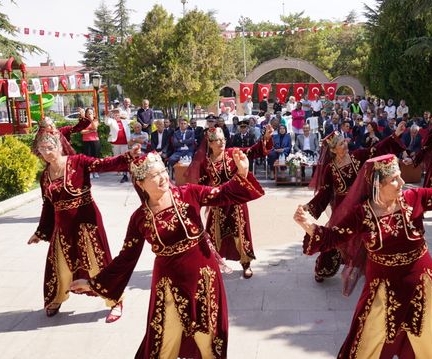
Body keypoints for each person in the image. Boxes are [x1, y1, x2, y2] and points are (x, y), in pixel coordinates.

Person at [70, 150, 264, 358]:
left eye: (163, 171)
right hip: (167, 285)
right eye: (154, 175)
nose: (163, 177)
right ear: (141, 182)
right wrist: (93, 283)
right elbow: (125, 259)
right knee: (163, 338)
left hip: (204, 278)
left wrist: (242, 173)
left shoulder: (189, 193)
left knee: (209, 337)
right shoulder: (140, 218)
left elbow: (223, 194)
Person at [294, 151, 432, 358]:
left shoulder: (413, 198)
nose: (403, 182)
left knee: (424, 334)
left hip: (421, 281)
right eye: (394, 179)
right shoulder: (362, 214)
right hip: (382, 285)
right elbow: (334, 237)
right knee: (369, 336)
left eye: (400, 176)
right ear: (378, 185)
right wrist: (307, 225)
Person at [28, 126, 141, 322]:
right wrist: (40, 231)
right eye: (42, 149)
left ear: (60, 146)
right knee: (59, 264)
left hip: (86, 223)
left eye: (49, 147)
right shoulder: (45, 176)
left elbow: (104, 164)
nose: (46, 153)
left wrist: (127, 157)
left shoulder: (78, 162)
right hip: (62, 226)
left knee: (98, 262)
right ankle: (56, 298)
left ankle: (115, 300)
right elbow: (47, 205)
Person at [304, 123, 407, 283]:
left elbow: (376, 150)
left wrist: (395, 135)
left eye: (344, 142)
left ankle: (373, 271)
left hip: (360, 206)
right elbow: (325, 191)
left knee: (366, 238)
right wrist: (309, 206)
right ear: (333, 150)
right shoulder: (329, 169)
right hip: (341, 208)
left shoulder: (358, 156)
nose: (345, 145)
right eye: (340, 144)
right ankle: (322, 269)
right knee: (335, 239)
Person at [184, 126, 273, 279]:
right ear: (210, 143)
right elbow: (202, 184)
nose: (221, 142)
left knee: (241, 232)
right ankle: (212, 264)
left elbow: (253, 151)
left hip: (236, 201)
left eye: (223, 139)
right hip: (218, 203)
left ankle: (246, 264)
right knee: (212, 234)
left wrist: (266, 138)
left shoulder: (233, 154)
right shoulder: (205, 163)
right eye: (217, 140)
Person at [105, 108, 132, 183]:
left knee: (125, 158)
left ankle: (125, 175)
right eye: (115, 114)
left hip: (124, 143)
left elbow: (128, 117)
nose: (117, 115)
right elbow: (106, 121)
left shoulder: (125, 121)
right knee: (117, 157)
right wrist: (109, 112)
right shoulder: (112, 121)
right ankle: (119, 169)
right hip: (115, 143)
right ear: (113, 115)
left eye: (118, 114)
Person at [80, 108, 101, 179]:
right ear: (86, 114)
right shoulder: (83, 121)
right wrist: (90, 131)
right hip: (86, 141)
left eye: (91, 113)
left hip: (95, 140)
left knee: (95, 157)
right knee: (88, 157)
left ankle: (96, 171)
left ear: (94, 114)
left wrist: (91, 120)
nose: (90, 114)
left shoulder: (95, 120)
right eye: (88, 113)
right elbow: (82, 131)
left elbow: (95, 128)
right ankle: (90, 172)